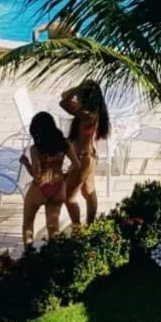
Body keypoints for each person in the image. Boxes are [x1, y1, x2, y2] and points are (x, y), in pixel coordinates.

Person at [20, 112, 80, 247]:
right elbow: (76, 165)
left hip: (39, 187)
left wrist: (26, 163)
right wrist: (65, 175)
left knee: (28, 222)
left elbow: (36, 174)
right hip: (58, 186)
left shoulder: (36, 149)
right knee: (53, 225)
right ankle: (54, 253)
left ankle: (29, 254)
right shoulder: (65, 144)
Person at [61, 80, 109, 226]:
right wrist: (80, 88)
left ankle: (78, 228)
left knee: (68, 197)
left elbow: (63, 102)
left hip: (82, 160)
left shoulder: (87, 115)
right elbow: (64, 96)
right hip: (89, 158)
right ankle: (91, 224)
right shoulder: (95, 112)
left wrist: (78, 87)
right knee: (88, 192)